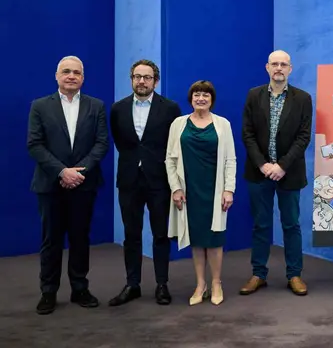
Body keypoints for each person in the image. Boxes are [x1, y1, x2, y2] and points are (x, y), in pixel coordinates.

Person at [26, 55, 109, 315]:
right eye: (66, 71)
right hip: (51, 184)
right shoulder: (40, 106)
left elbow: (101, 144)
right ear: (57, 75)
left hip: (84, 184)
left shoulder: (96, 106)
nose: (71, 76)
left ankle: (79, 288)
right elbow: (34, 144)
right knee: (51, 240)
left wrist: (77, 172)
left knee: (80, 238)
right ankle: (48, 291)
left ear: (83, 77)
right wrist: (62, 172)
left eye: (76, 72)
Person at [108, 60, 181, 307]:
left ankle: (162, 284)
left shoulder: (170, 108)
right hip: (129, 180)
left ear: (155, 81)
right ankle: (133, 284)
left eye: (147, 77)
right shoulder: (118, 109)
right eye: (137, 77)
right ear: (131, 79)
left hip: (159, 180)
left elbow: (173, 145)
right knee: (131, 234)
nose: (142, 81)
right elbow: (121, 143)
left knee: (161, 234)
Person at [240, 50, 313, 296]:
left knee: (291, 225)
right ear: (267, 68)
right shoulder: (253, 95)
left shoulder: (303, 99)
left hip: (289, 173)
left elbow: (303, 137)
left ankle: (294, 275)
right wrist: (263, 165)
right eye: (274, 64)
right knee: (261, 225)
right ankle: (258, 274)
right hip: (258, 172)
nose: (279, 68)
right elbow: (247, 133)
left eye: (283, 64)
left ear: (290, 69)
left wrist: (282, 166)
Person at [165, 80, 236, 306]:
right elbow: (170, 159)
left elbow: (231, 160)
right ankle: (200, 284)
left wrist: (228, 189)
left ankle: (216, 283)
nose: (201, 98)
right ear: (191, 98)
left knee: (214, 238)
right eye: (197, 94)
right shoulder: (178, 124)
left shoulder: (223, 124)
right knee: (195, 239)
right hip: (189, 191)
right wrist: (175, 188)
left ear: (212, 99)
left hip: (214, 190)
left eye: (205, 95)